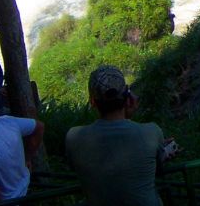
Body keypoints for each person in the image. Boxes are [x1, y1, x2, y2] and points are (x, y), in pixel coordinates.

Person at [66, 65, 173, 206]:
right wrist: (128, 116)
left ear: (92, 102)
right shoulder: (152, 132)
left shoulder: (73, 137)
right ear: (128, 97)